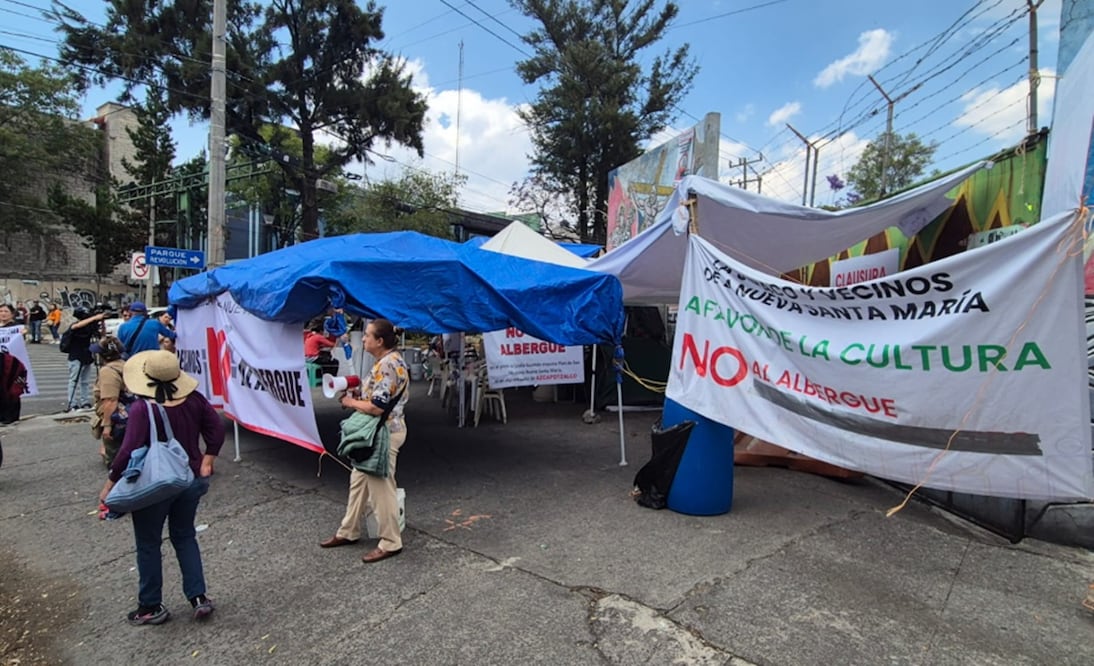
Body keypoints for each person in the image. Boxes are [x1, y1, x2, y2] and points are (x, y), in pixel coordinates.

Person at [98, 349, 224, 626]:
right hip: (188, 479)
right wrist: (207, 461)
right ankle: (198, 597)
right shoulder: (194, 399)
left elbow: (128, 450)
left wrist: (110, 484)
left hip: (154, 483)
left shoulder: (144, 408)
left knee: (148, 542)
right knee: (184, 536)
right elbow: (216, 429)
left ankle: (150, 605)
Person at [320, 318, 410, 563]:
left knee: (382, 489)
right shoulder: (390, 361)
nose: (364, 339)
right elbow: (380, 395)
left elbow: (377, 407)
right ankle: (348, 531)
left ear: (379, 341)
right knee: (358, 482)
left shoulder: (387, 365)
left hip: (383, 434)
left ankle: (391, 541)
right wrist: (361, 394)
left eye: (368, 335)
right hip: (384, 431)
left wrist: (350, 402)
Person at [90, 336, 131, 467]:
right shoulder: (125, 365)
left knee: (115, 460)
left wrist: (107, 426)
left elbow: (110, 400)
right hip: (129, 414)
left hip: (117, 418)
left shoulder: (108, 371)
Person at [66, 308, 106, 412]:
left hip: (87, 356)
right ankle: (72, 403)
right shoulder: (75, 325)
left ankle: (85, 401)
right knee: (73, 381)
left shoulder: (89, 327)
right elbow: (77, 326)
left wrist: (101, 321)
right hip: (76, 356)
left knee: (85, 381)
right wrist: (95, 318)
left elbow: (102, 336)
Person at [0, 304, 27, 425]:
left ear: (11, 314)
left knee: (12, 388)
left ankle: (11, 416)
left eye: (5, 311)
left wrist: (23, 333)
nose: (3, 313)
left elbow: (20, 341)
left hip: (12, 363)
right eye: (0, 311)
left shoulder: (15, 327)